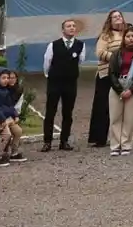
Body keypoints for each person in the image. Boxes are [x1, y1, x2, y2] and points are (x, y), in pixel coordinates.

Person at [41, 19, 85, 153]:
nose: (71, 28)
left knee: (68, 112)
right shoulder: (53, 45)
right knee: (50, 112)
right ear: (63, 29)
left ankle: (64, 141)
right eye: (68, 26)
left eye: (73, 26)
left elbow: (80, 61)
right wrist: (50, 76)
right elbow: (47, 62)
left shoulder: (80, 45)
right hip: (55, 82)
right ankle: (47, 142)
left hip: (70, 83)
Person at [108, 24, 133, 156]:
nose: (130, 39)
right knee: (115, 116)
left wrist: (131, 90)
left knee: (129, 118)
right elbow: (112, 73)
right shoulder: (116, 54)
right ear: (123, 38)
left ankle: (126, 144)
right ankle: (115, 144)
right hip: (118, 85)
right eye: (128, 36)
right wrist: (120, 90)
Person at [89, 9, 126, 147]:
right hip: (106, 74)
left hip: (123, 75)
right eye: (114, 17)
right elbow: (99, 52)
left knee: (121, 106)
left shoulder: (127, 34)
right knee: (102, 106)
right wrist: (117, 58)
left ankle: (119, 136)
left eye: (119, 16)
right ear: (109, 21)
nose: (117, 18)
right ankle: (99, 138)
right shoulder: (105, 36)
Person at [0, 67, 26, 166]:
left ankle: (14, 152)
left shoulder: (5, 91)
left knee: (18, 131)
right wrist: (2, 119)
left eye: (7, 78)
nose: (6, 80)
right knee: (6, 134)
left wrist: (15, 115)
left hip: (6, 117)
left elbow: (10, 106)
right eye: (3, 78)